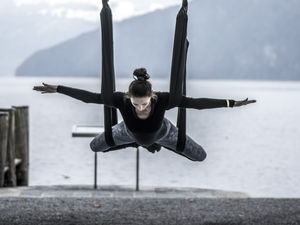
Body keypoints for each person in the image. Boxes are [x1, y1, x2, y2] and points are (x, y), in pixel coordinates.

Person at [33, 68, 256, 161]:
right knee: (95, 147)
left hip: (164, 133)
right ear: (129, 98)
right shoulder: (121, 100)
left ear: (152, 97)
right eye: (136, 104)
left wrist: (231, 103)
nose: (140, 108)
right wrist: (58, 89)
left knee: (200, 156)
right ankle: (137, 143)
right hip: (126, 132)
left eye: (144, 104)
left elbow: (196, 104)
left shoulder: (164, 100)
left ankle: (157, 143)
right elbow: (90, 97)